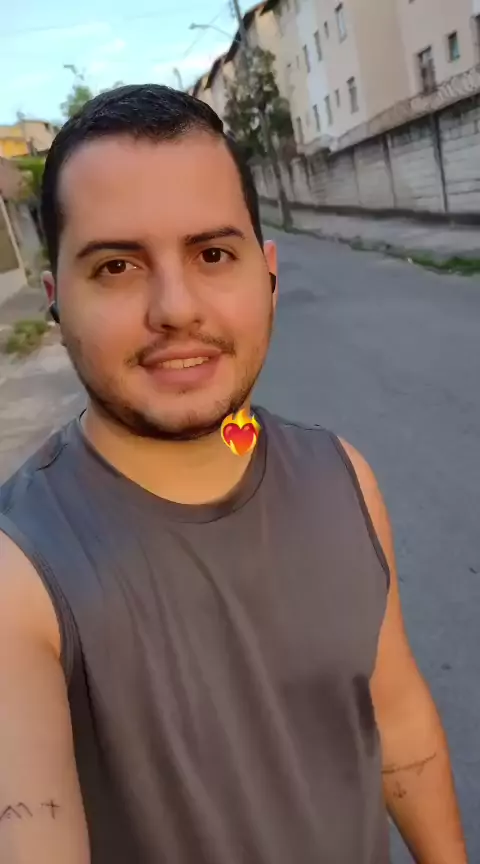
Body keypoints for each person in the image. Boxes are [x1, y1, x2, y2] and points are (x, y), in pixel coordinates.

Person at [0, 85, 467, 864]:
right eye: (117, 266)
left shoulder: (343, 479)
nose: (177, 308)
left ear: (268, 273)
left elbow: (397, 720)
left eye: (213, 254)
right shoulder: (20, 569)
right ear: (56, 301)